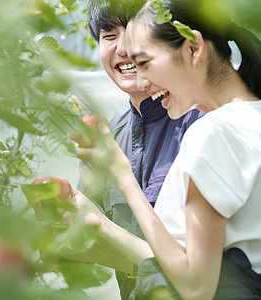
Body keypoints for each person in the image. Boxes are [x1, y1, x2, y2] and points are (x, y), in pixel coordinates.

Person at [74, 0, 261, 298]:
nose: (143, 80)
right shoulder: (248, 118)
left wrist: (122, 178)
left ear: (192, 48)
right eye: (109, 36)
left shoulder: (210, 133)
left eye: (145, 62)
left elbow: (195, 285)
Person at [77, 0, 201, 298]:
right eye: (109, 36)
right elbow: (114, 253)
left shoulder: (203, 125)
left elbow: (204, 271)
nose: (122, 49)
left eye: (135, 29)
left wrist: (102, 227)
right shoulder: (106, 136)